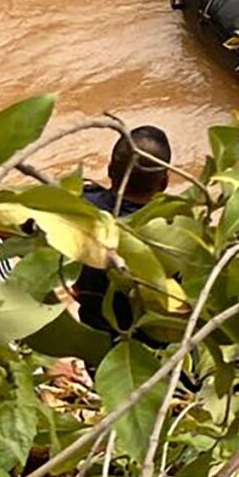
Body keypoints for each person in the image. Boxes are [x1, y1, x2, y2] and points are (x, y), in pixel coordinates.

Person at [75, 127, 174, 337]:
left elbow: (11, 230)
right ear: (164, 182)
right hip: (162, 343)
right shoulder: (174, 230)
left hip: (97, 338)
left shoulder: (78, 210)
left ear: (110, 169)